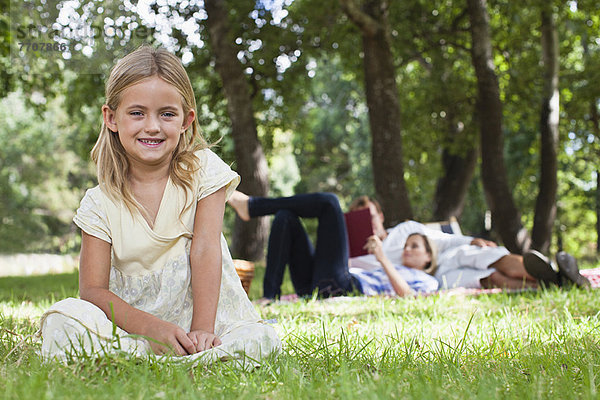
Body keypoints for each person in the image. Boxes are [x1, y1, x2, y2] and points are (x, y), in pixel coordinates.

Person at [39, 46, 280, 367]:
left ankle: (196, 353)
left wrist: (202, 330)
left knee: (259, 340)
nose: (152, 126)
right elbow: (93, 291)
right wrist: (152, 329)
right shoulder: (98, 203)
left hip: (201, 319)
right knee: (65, 321)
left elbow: (206, 248)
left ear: (186, 120)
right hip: (130, 327)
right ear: (111, 118)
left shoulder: (203, 170)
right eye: (137, 113)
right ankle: (149, 355)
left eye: (167, 114)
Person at [346, 196, 589, 290]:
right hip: (435, 280)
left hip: (442, 259)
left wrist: (473, 240)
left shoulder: (405, 230)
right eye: (361, 218)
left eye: (371, 215)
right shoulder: (359, 255)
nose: (369, 221)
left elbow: (444, 240)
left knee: (485, 255)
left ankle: (550, 272)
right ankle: (558, 283)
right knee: (489, 277)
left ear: (381, 216)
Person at [228, 191, 439, 299]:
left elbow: (410, 297)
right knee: (285, 217)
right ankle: (269, 296)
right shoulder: (398, 260)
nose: (407, 249)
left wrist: (382, 258)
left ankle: (253, 206)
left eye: (415, 246)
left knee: (330, 202)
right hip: (319, 281)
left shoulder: (428, 281)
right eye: (407, 245)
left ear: (429, 257)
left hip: (341, 286)